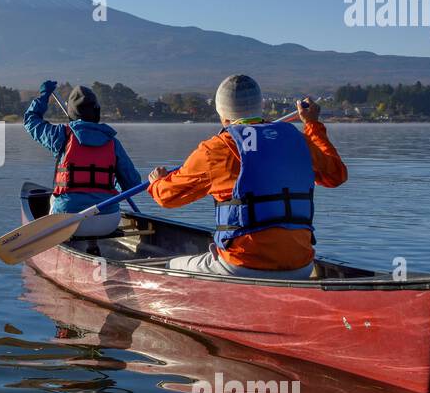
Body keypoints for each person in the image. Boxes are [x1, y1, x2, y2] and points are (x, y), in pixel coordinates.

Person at [147, 74, 347, 279]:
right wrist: (313, 125)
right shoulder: (298, 140)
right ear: (260, 107)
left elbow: (167, 198)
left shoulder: (215, 149)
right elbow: (336, 175)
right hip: (301, 266)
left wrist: (157, 183)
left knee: (171, 265)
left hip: (242, 266)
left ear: (223, 116)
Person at [24, 80, 141, 238]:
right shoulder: (113, 142)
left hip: (68, 222)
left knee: (52, 198)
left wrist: (44, 96)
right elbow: (133, 184)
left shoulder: (60, 135)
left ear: (71, 113)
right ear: (96, 112)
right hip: (107, 222)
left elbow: (31, 120)